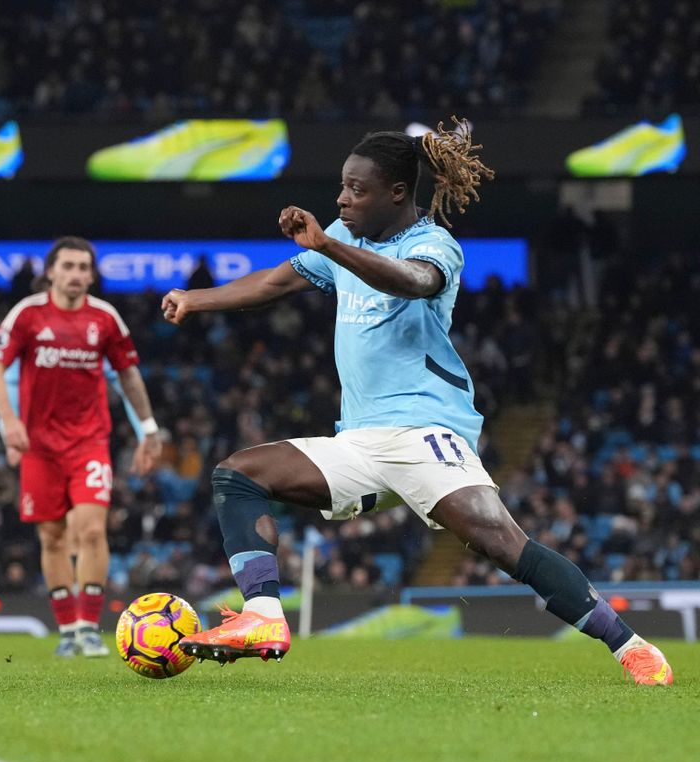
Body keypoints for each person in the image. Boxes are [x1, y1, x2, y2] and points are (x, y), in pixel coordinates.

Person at [160, 119, 673, 685]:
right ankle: (262, 615)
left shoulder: (432, 245)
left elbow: (412, 282)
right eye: (342, 186)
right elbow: (275, 283)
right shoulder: (342, 236)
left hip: (426, 431)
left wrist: (328, 242)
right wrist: (194, 298)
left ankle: (629, 645)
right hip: (359, 438)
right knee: (238, 475)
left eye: (357, 189)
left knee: (503, 544)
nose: (342, 198)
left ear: (396, 194)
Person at [0, 237, 162, 657]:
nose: (77, 274)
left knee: (92, 529)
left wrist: (149, 429)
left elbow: (129, 376)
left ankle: (87, 627)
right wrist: (8, 422)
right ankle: (66, 630)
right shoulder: (27, 314)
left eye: (84, 267)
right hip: (39, 447)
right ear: (51, 271)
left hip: (89, 442)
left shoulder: (105, 318)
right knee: (52, 536)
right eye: (68, 266)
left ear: (91, 275)